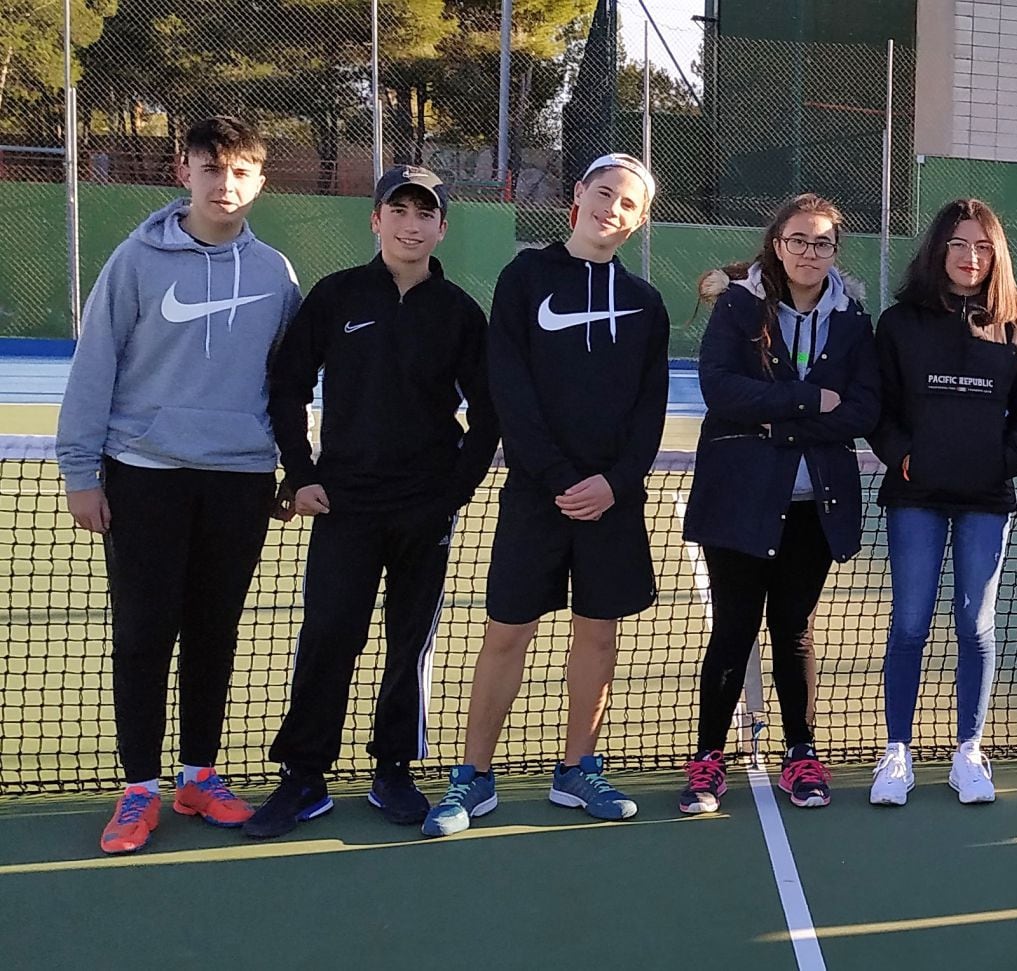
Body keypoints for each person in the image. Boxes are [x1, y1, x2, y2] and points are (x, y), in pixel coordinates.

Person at [56, 116, 302, 854]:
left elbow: (287, 386)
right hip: (145, 475)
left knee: (214, 632)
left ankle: (199, 774)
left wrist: (295, 467)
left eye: (241, 172)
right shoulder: (135, 261)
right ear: (184, 172)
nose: (225, 184)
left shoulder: (275, 273)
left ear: (259, 182)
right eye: (211, 168)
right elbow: (94, 364)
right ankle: (139, 788)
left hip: (239, 479)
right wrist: (80, 473)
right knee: (141, 632)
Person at [242, 165, 499, 838]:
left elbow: (490, 416)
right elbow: (286, 386)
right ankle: (303, 775)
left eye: (425, 214)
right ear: (376, 219)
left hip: (424, 509)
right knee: (329, 633)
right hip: (345, 504)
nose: (411, 224)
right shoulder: (335, 297)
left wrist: (453, 492)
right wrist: (300, 475)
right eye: (399, 210)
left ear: (442, 227)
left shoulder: (460, 314)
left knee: (409, 641)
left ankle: (393, 767)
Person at [420, 153, 669, 838]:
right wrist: (561, 477)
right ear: (579, 197)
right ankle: (473, 776)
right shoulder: (525, 278)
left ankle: (576, 767)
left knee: (598, 636)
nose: (611, 208)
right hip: (537, 497)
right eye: (604, 193)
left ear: (639, 219)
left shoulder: (646, 304)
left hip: (612, 505)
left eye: (628, 202)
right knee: (507, 634)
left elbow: (648, 412)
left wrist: (613, 484)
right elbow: (511, 392)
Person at [678, 193, 880, 813]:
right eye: (798, 240)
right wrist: (804, 401)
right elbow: (720, 389)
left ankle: (801, 755)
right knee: (734, 630)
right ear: (777, 243)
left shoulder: (851, 320)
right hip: (740, 498)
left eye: (822, 243)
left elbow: (863, 408)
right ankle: (708, 759)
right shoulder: (740, 305)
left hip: (814, 503)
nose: (809, 253)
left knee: (793, 632)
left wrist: (779, 421)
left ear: (834, 251)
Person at [868, 198, 1017, 807]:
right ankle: (897, 752)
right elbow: (880, 409)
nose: (970, 257)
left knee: (974, 625)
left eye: (982, 247)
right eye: (959, 244)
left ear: (994, 255)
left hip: (986, 502)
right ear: (938, 250)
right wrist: (903, 456)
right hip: (915, 498)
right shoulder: (898, 324)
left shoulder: (1012, 325)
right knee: (911, 624)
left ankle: (968, 750)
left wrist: (1001, 463)